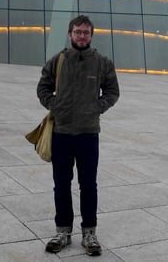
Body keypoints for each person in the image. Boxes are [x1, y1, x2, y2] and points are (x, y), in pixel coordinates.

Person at [36, 15, 120, 256]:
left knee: (88, 185)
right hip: (61, 132)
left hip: (88, 133)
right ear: (70, 34)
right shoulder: (58, 60)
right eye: (77, 32)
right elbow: (42, 88)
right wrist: (55, 105)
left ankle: (89, 233)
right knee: (61, 184)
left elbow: (113, 91)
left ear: (91, 35)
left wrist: (98, 107)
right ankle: (62, 231)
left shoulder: (102, 62)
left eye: (85, 32)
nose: (81, 36)